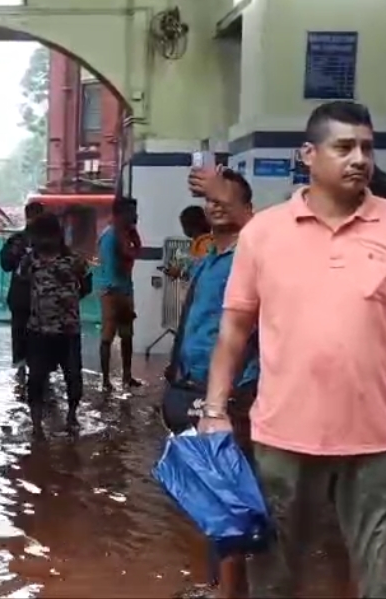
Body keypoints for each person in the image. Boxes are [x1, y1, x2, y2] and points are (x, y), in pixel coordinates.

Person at [199, 101, 386, 598]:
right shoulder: (264, 234)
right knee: (274, 577)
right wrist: (214, 410)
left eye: (367, 148)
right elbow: (235, 327)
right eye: (344, 147)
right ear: (308, 155)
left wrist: (373, 332)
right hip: (283, 437)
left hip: (377, 439)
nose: (359, 158)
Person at [162, 167, 256, 599]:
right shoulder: (207, 260)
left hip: (231, 393)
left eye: (226, 197)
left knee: (228, 500)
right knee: (208, 497)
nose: (215, 204)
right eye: (211, 199)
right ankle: (219, 586)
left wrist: (236, 393)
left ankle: (229, 592)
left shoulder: (252, 256)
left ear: (246, 207)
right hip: (193, 387)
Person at [23, 214, 91, 435]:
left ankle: (72, 416)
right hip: (38, 330)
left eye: (46, 236)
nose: (43, 241)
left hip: (68, 330)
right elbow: (22, 286)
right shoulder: (30, 261)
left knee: (73, 375)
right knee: (36, 379)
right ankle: (36, 426)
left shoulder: (73, 261)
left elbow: (86, 284)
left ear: (56, 235)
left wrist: (70, 302)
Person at [95, 198, 143, 392]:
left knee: (127, 334)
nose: (135, 216)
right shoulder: (110, 236)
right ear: (120, 214)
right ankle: (106, 379)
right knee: (108, 334)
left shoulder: (126, 234)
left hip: (124, 289)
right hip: (111, 291)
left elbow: (132, 254)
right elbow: (112, 267)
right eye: (132, 212)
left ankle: (127, 376)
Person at [0, 201, 46, 380]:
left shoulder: (21, 240)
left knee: (23, 333)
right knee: (30, 333)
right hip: (33, 296)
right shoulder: (22, 240)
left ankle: (25, 370)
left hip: (28, 297)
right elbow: (5, 263)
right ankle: (29, 370)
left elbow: (4, 263)